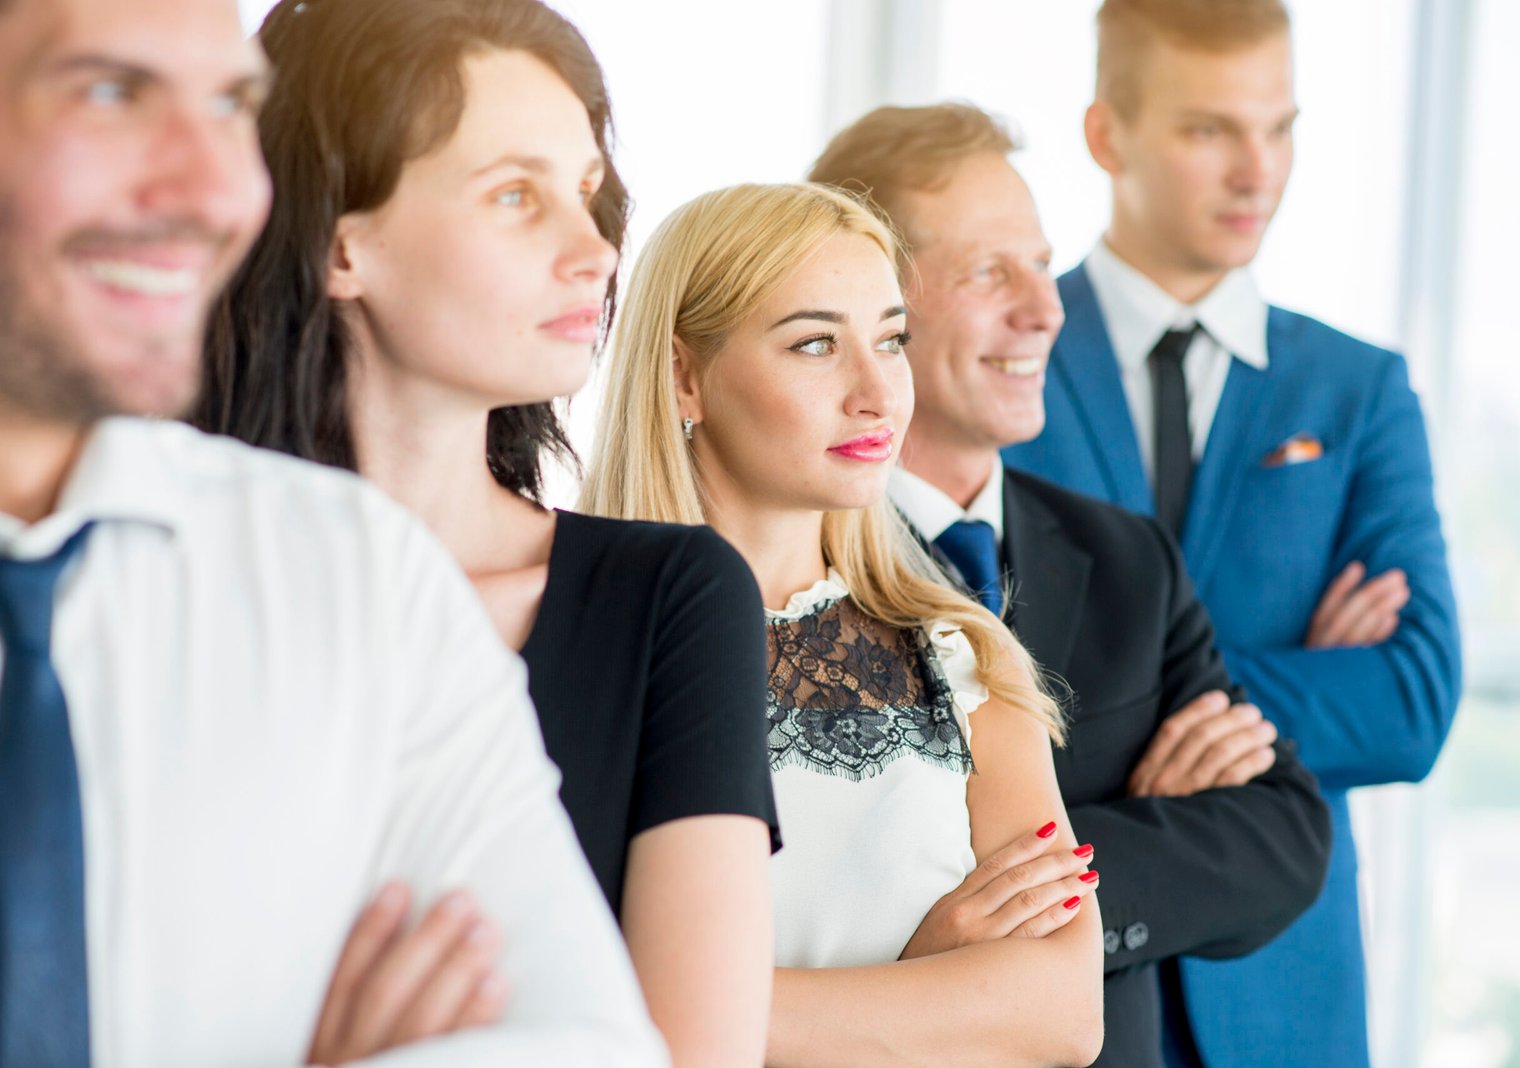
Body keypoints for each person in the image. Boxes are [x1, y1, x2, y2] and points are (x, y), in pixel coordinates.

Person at [0, 0, 666, 1063]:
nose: (218, 187)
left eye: (228, 107)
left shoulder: (361, 580)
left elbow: (590, 1047)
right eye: (111, 93)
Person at [194, 1, 778, 1064]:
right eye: (515, 195)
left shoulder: (673, 597)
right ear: (339, 246)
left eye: (588, 195)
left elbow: (694, 1054)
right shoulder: (162, 588)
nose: (594, 250)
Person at [808, 101, 1334, 1067]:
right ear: (866, 305)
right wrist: (1141, 819)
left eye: (1042, 265)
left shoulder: (1128, 558)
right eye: (987, 273)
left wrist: (1025, 892)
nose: (1045, 309)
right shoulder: (785, 563)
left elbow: (1282, 834)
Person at [1000, 2, 1463, 1064]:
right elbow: (950, 663)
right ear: (1107, 136)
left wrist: (1122, 708)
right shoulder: (999, 360)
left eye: (1282, 127)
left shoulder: (1355, 391)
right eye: (1210, 130)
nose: (1258, 173)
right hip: (1053, 981)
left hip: (1284, 991)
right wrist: (1283, 682)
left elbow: (1411, 697)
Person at [581, 181, 1106, 1067]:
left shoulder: (965, 657)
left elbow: (1063, 1014)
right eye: (817, 343)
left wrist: (697, 1012)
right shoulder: (567, 642)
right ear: (683, 375)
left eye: (892, 340)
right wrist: (920, 977)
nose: (878, 394)